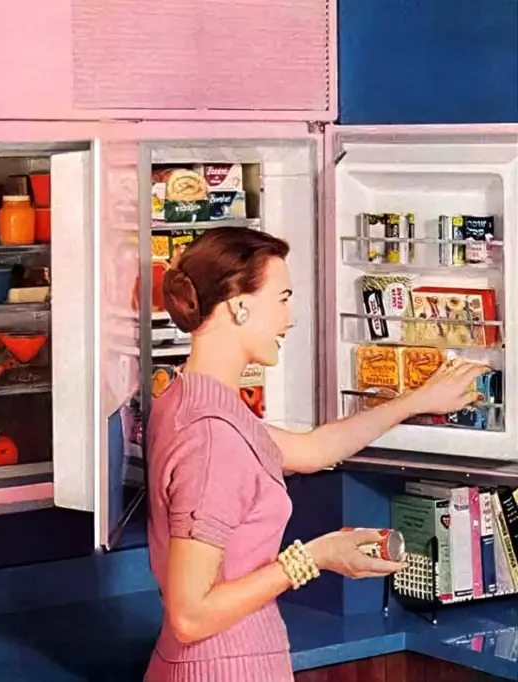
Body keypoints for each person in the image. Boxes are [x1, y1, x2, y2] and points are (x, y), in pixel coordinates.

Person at [144, 227, 488, 682]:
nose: (290, 319)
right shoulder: (212, 436)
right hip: (222, 667)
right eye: (283, 299)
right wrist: (314, 557)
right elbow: (191, 616)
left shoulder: (187, 398)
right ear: (239, 306)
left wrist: (415, 401)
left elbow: (310, 450)